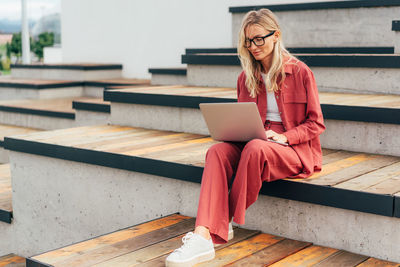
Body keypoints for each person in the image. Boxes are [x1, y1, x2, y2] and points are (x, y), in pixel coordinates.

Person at [166, 8, 325, 267]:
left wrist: (285, 137)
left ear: (276, 36)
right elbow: (244, 122)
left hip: (293, 150)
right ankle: (205, 234)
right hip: (256, 141)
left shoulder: (301, 72)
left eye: (259, 39)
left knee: (255, 148)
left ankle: (214, 226)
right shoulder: (246, 78)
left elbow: (316, 123)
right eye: (248, 41)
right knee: (216, 152)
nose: (253, 46)